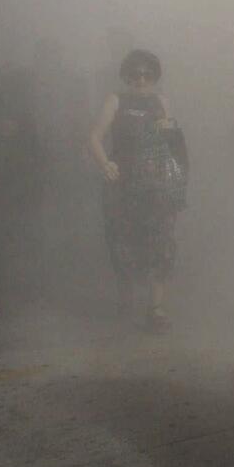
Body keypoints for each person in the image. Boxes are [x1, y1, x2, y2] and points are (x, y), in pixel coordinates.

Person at [88, 49, 189, 329]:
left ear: (154, 76)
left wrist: (177, 181)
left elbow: (173, 144)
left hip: (156, 185)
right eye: (135, 74)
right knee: (123, 243)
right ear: (126, 76)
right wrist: (105, 164)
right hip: (122, 184)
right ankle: (127, 299)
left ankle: (156, 308)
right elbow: (94, 137)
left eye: (146, 74)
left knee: (161, 243)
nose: (141, 80)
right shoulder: (116, 100)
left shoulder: (161, 102)